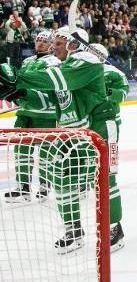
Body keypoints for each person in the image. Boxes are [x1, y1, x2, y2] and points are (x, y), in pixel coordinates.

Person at [1, 27, 107, 253]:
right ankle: (73, 230)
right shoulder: (60, 66)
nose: (52, 47)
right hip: (68, 134)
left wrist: (17, 77)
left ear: (72, 44)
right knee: (62, 184)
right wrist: (17, 93)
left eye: (58, 43)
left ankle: (114, 227)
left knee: (105, 183)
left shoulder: (87, 63)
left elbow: (63, 78)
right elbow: (45, 99)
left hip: (93, 135)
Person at [2, 30, 59, 205]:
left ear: (51, 44)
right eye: (38, 41)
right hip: (25, 113)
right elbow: (19, 83)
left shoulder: (54, 62)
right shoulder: (27, 61)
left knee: (45, 153)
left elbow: (51, 89)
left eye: (44, 41)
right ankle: (23, 187)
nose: (40, 44)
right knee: (21, 151)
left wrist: (25, 93)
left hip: (46, 115)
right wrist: (13, 93)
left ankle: (44, 185)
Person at [89, 42, 128, 252]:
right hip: (84, 128)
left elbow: (121, 94)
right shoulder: (80, 71)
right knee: (92, 176)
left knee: (108, 176)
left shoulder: (112, 73)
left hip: (107, 128)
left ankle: (115, 226)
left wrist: (102, 91)